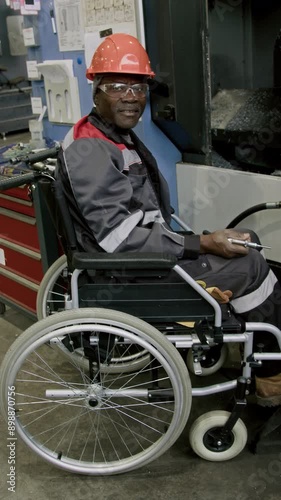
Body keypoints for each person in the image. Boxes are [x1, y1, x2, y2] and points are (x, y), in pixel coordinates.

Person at [56, 33, 281, 405]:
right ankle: (271, 375)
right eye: (117, 86)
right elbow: (119, 238)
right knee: (253, 264)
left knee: (246, 239)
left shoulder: (113, 137)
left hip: (146, 259)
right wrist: (203, 244)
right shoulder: (90, 151)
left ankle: (251, 343)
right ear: (95, 90)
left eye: (139, 87)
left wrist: (201, 240)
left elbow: (144, 217)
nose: (131, 96)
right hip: (134, 275)